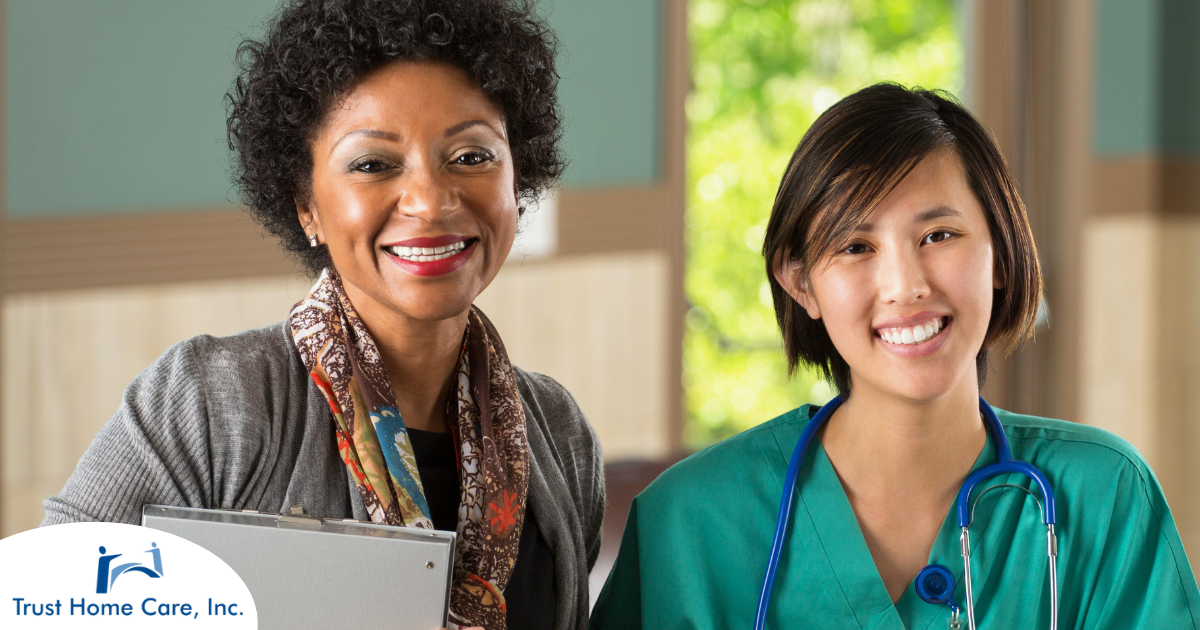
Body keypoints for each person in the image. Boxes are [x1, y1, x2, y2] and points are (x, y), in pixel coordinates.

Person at [42, 2, 605, 629]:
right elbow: (43, 606)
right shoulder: (211, 404)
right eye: (373, 165)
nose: (430, 199)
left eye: (472, 156)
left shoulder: (557, 433)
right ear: (307, 205)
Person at [590, 84, 1200, 628]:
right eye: (856, 246)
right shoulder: (688, 523)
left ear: (1001, 252)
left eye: (938, 235)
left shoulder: (1104, 495)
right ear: (801, 284)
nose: (906, 286)